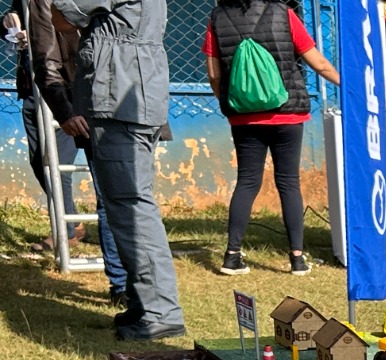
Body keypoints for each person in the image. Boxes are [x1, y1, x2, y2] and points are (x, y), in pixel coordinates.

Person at [54, 0, 186, 341]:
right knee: (128, 207)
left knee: (132, 207)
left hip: (119, 99)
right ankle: (145, 303)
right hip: (130, 94)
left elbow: (63, 17)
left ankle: (160, 312)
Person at [203, 0, 338, 276]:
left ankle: (232, 256)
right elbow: (319, 63)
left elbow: (214, 74)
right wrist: (349, 86)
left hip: (244, 117)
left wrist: (229, 101)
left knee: (247, 181)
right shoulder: (283, 13)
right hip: (287, 113)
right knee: (288, 182)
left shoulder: (217, 18)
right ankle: (297, 259)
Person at [30, 0, 128, 304]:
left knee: (131, 197)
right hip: (87, 106)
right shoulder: (45, 4)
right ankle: (122, 285)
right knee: (108, 196)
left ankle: (139, 282)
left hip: (131, 102)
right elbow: (46, 60)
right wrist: (65, 111)